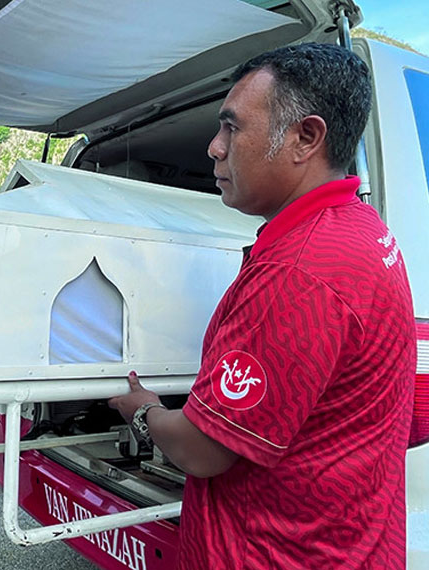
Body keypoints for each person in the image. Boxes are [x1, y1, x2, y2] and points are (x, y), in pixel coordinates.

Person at [109, 43, 415, 569]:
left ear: (306, 137)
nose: (214, 147)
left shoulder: (298, 271)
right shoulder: (362, 228)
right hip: (349, 546)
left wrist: (144, 413)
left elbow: (203, 450)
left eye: (232, 128)